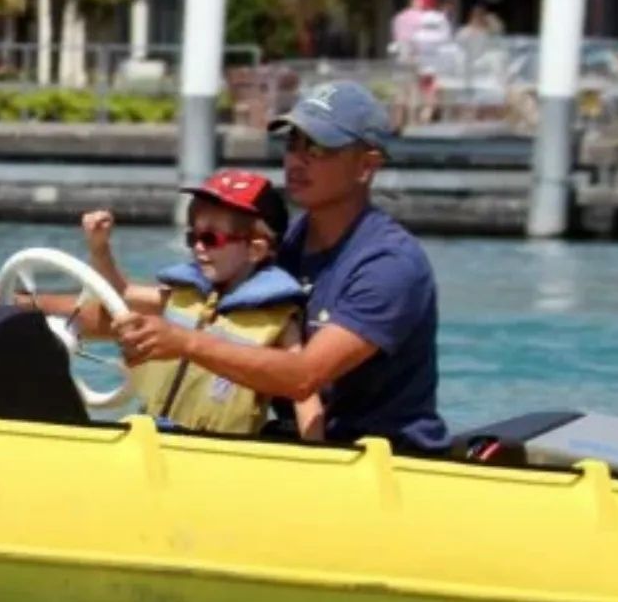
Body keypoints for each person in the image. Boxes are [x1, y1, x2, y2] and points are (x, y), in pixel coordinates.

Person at [116, 81, 448, 455]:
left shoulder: (390, 266)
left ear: (366, 166)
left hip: (384, 459)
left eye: (318, 148)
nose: (297, 160)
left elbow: (305, 376)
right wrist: (44, 307)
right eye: (293, 144)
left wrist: (185, 343)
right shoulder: (286, 246)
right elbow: (183, 309)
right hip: (292, 447)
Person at [0, 171, 322, 442]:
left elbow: (302, 389)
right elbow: (116, 293)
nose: (199, 247)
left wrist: (317, 455)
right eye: (194, 236)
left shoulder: (278, 318)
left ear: (256, 249)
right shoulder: (177, 297)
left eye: (212, 238)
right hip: (150, 436)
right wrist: (99, 250)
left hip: (221, 452)